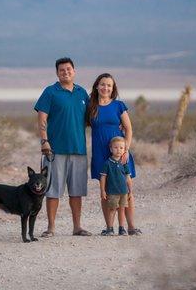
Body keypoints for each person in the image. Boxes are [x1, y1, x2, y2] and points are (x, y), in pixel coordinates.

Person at [34, 57, 92, 237]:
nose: (65, 72)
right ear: (57, 73)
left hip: (79, 150)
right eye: (62, 70)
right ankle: (51, 228)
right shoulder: (50, 92)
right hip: (55, 150)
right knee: (53, 191)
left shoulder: (82, 93)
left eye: (68, 69)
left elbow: (92, 119)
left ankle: (77, 227)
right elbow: (42, 118)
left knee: (77, 192)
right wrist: (44, 141)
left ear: (74, 71)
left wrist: (117, 125)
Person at [87, 72, 142, 235]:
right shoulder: (91, 106)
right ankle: (109, 227)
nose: (105, 87)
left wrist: (126, 150)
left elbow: (129, 128)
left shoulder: (118, 105)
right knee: (105, 190)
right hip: (100, 153)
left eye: (109, 85)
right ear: (97, 86)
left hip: (120, 153)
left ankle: (131, 227)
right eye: (102, 84)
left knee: (126, 188)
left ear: (113, 88)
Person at [99, 136, 133, 236]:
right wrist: (102, 191)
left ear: (124, 150)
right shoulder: (107, 163)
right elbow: (103, 178)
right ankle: (110, 228)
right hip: (112, 192)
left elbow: (128, 178)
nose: (118, 150)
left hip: (123, 192)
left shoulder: (124, 164)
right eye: (116, 147)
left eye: (121, 148)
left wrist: (130, 191)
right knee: (112, 209)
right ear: (111, 149)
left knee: (122, 210)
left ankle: (121, 228)